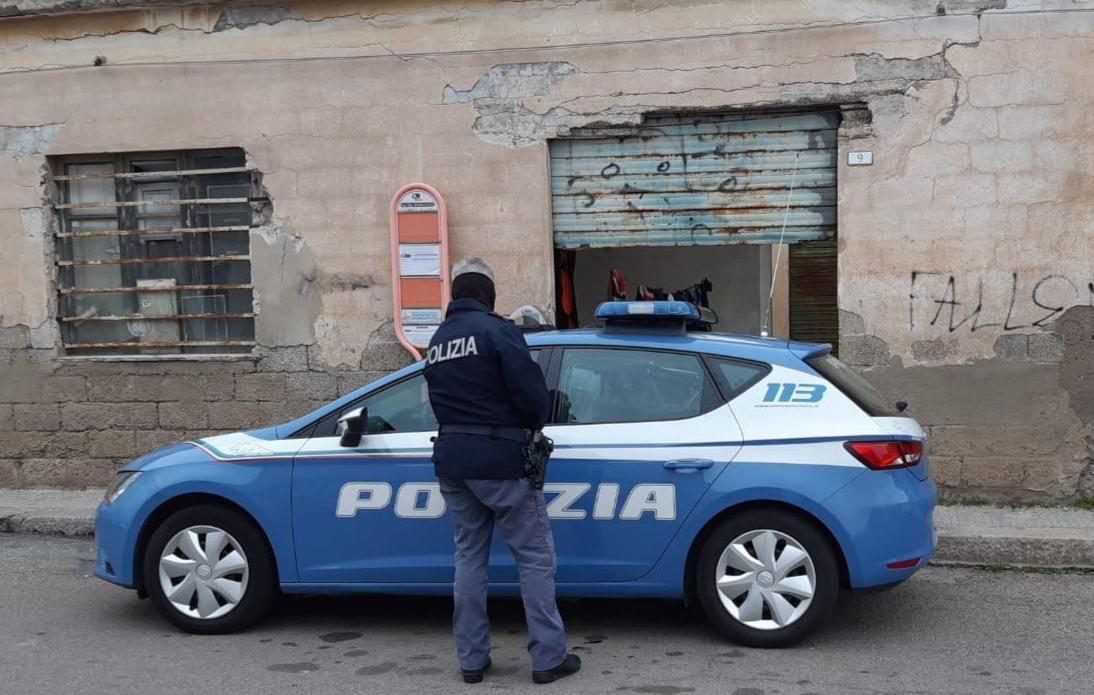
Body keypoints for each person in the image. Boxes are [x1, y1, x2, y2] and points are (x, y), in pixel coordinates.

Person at [423, 257, 581, 685]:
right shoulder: (498, 331)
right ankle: (548, 658)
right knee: (534, 558)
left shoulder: (438, 341)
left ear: (456, 294)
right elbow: (533, 402)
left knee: (469, 559)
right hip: (501, 463)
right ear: (487, 294)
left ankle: (472, 661)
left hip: (453, 461)